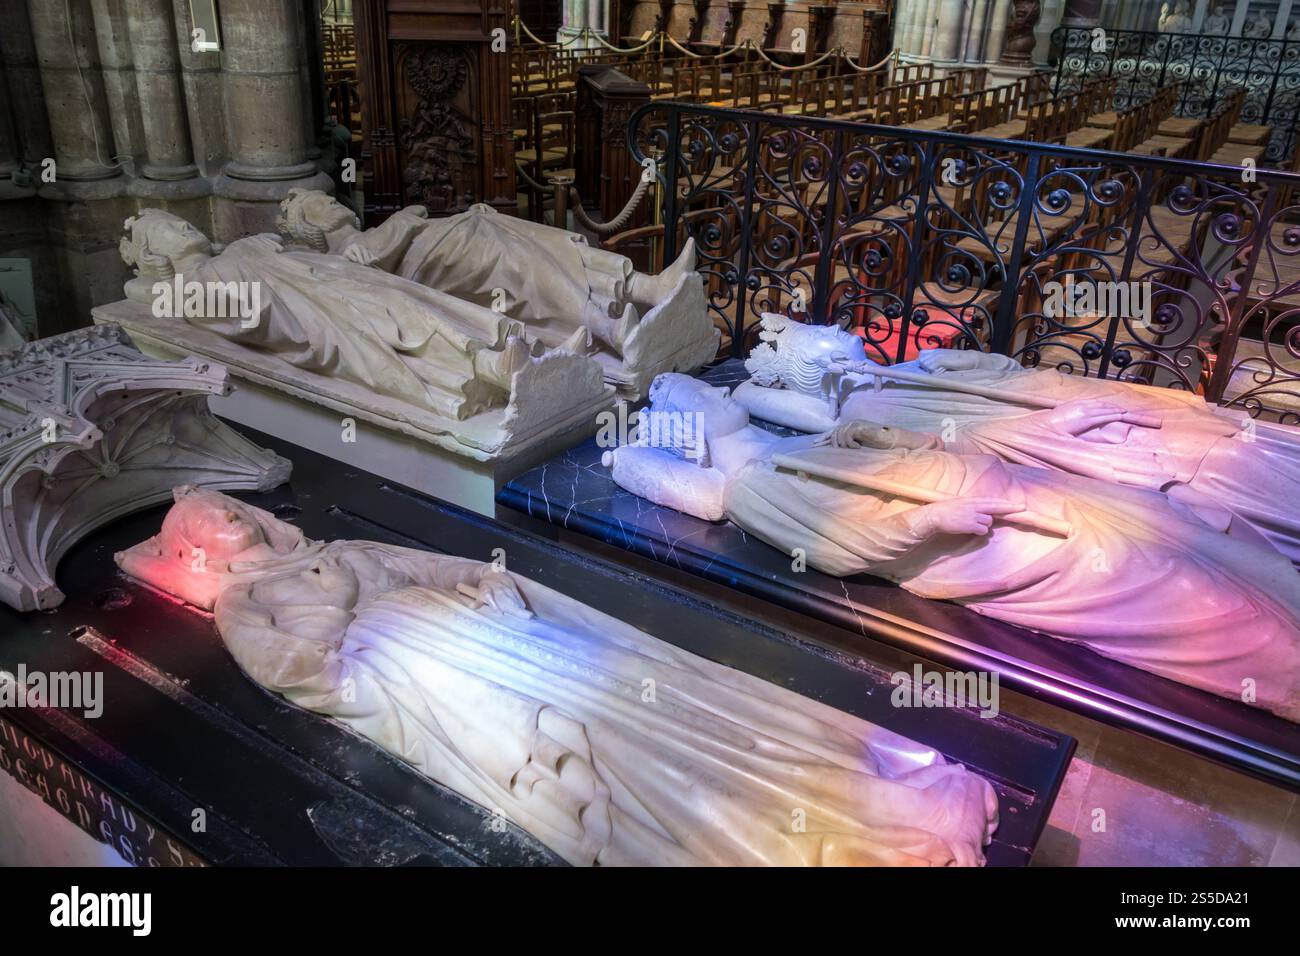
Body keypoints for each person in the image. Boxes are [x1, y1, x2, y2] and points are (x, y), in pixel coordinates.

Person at [116, 485, 1000, 867]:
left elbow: (449, 567)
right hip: (427, 669)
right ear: (194, 548)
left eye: (227, 500)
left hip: (482, 635)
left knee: (655, 696)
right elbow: (302, 676)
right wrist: (386, 646)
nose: (228, 512)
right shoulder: (245, 604)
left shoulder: (341, 546)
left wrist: (479, 588)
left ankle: (877, 804)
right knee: (618, 754)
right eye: (206, 515)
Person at [607, 374, 1300, 721]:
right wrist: (932, 522)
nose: (710, 392)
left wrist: (898, 442)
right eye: (695, 397)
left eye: (701, 385)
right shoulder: (756, 485)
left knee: (1181, 530)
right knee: (1181, 593)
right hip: (985, 540)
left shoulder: (808, 443)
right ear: (697, 429)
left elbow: (934, 446)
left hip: (1020, 490)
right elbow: (845, 548)